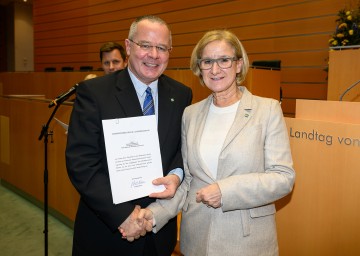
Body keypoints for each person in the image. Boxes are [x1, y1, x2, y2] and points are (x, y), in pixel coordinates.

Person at [127, 29, 296, 256]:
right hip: (197, 238)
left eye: (224, 60)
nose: (215, 70)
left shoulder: (267, 110)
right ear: (200, 67)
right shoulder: (190, 114)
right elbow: (188, 182)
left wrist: (225, 191)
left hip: (247, 241)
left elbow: (283, 178)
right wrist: (156, 213)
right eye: (207, 61)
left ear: (238, 64)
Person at [65, 15, 192, 256]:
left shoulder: (181, 94)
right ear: (128, 46)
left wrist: (176, 176)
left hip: (158, 231)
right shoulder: (94, 93)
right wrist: (123, 215)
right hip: (106, 231)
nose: (153, 54)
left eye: (162, 47)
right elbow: (81, 163)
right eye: (145, 45)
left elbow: (181, 150)